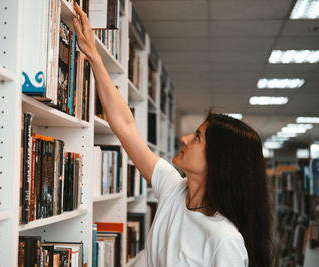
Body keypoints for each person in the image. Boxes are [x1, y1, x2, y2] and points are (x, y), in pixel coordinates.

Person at [72, 3, 273, 267]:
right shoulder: (173, 189)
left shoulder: (225, 240)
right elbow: (124, 125)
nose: (185, 139)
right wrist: (95, 57)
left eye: (198, 137)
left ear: (219, 160)